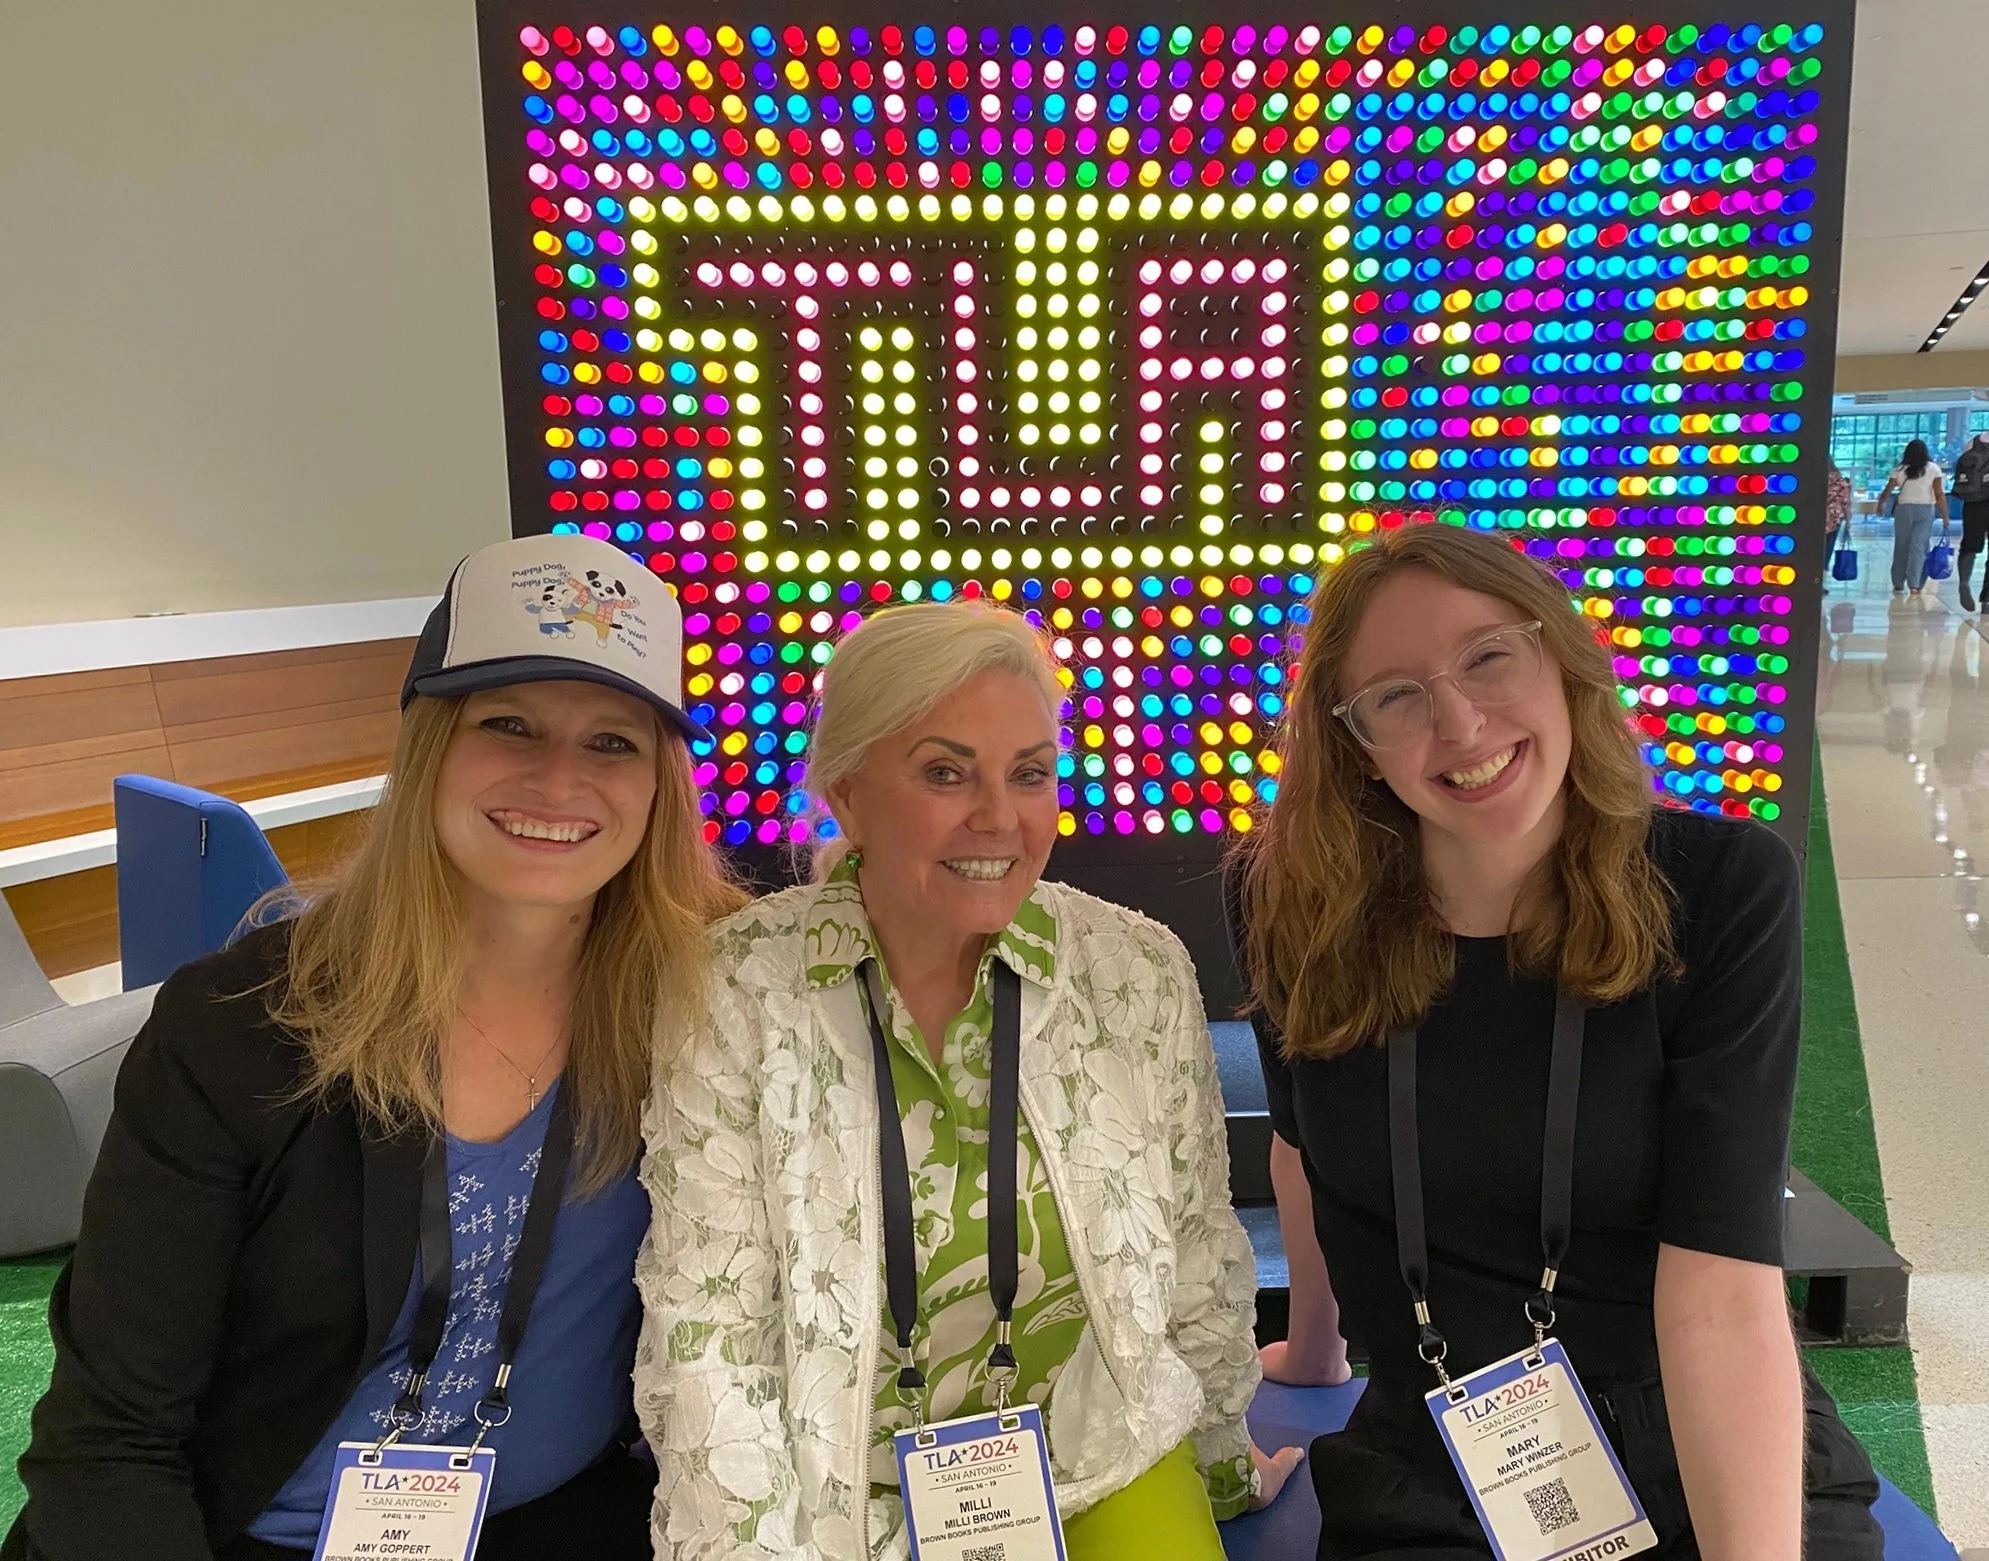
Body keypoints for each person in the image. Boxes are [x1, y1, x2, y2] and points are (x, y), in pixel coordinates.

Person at [2, 534, 744, 1561]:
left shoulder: (703, 1005)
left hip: (564, 1521)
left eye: (613, 742)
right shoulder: (242, 1028)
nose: (557, 777)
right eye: (508, 724)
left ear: (661, 783)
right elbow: (110, 1442)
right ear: (429, 744)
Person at [1227, 525, 1882, 1560]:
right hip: (1431, 1459)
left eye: (1490, 656)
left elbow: (1721, 1293)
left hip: (1695, 1441)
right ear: (1351, 739)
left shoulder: (1717, 889)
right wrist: (1315, 1350)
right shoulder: (1289, 902)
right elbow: (1307, 1149)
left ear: (1563, 658)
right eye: (1396, 695)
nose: (1459, 721)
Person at [634, 601, 1300, 1561]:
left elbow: (1194, 1251)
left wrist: (1220, 1462)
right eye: (945, 772)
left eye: (1027, 773)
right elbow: (710, 1332)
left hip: (1095, 1454)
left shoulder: (1132, 968)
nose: (998, 816)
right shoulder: (733, 986)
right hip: (832, 1490)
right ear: (849, 790)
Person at [1876, 438, 1947, 597]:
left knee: (1901, 545)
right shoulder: (1933, 469)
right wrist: (1945, 516)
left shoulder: (1900, 469)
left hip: (1903, 509)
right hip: (1925, 509)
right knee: (1918, 546)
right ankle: (1915, 584)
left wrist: (1881, 504)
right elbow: (1939, 494)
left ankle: (1898, 583)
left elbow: (1888, 490)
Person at [1950, 432, 1989, 611]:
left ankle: (1964, 581)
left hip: (1973, 502)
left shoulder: (1973, 442)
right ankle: (1987, 600)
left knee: (1970, 545)